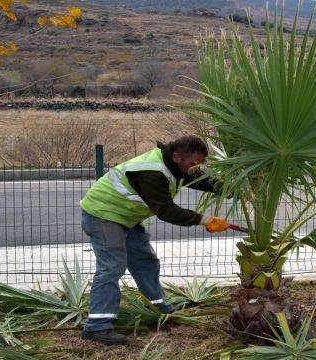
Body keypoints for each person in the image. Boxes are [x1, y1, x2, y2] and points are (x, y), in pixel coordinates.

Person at [79, 135, 229, 345]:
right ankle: (97, 326)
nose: (197, 168)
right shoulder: (153, 172)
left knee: (145, 262)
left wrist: (230, 188)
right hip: (103, 214)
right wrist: (205, 220)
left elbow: (197, 179)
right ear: (176, 157)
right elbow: (166, 211)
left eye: (200, 164)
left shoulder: (176, 166)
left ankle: (159, 308)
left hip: (126, 216)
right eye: (193, 164)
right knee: (112, 267)